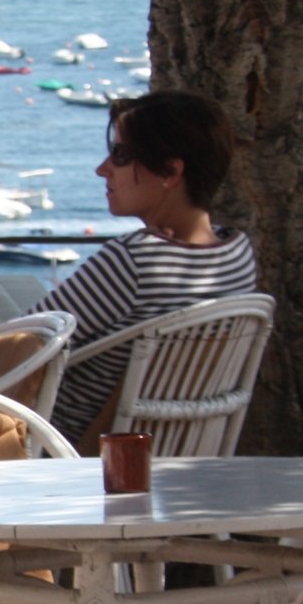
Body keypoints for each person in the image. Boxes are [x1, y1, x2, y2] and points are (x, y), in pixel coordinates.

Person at [44, 91, 261, 443]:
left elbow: (21, 347)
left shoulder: (133, 262)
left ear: (171, 172)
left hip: (65, 455)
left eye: (120, 154)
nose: (103, 169)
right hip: (166, 457)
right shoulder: (237, 254)